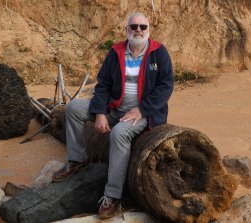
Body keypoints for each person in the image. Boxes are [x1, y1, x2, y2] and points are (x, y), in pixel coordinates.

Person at [52, 12, 174, 219]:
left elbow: (166, 86)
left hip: (144, 113)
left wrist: (142, 110)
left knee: (118, 134)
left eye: (142, 27)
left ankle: (112, 195)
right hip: (113, 108)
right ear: (126, 30)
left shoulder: (158, 53)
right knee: (73, 108)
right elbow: (104, 85)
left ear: (149, 30)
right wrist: (100, 113)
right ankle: (77, 159)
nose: (138, 30)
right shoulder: (116, 51)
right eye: (133, 27)